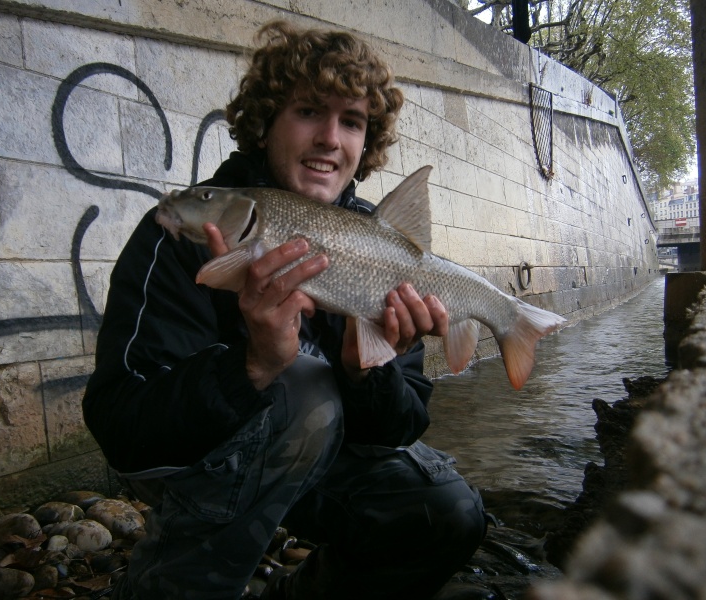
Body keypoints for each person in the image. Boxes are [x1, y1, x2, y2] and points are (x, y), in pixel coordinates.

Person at [82, 20, 487, 600]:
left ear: (365, 142)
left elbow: (401, 428)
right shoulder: (182, 232)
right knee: (302, 387)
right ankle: (173, 581)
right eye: (308, 112)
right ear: (265, 122)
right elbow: (121, 428)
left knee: (446, 512)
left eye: (351, 122)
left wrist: (364, 373)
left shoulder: (384, 250)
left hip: (319, 459)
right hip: (192, 456)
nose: (330, 138)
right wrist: (251, 365)